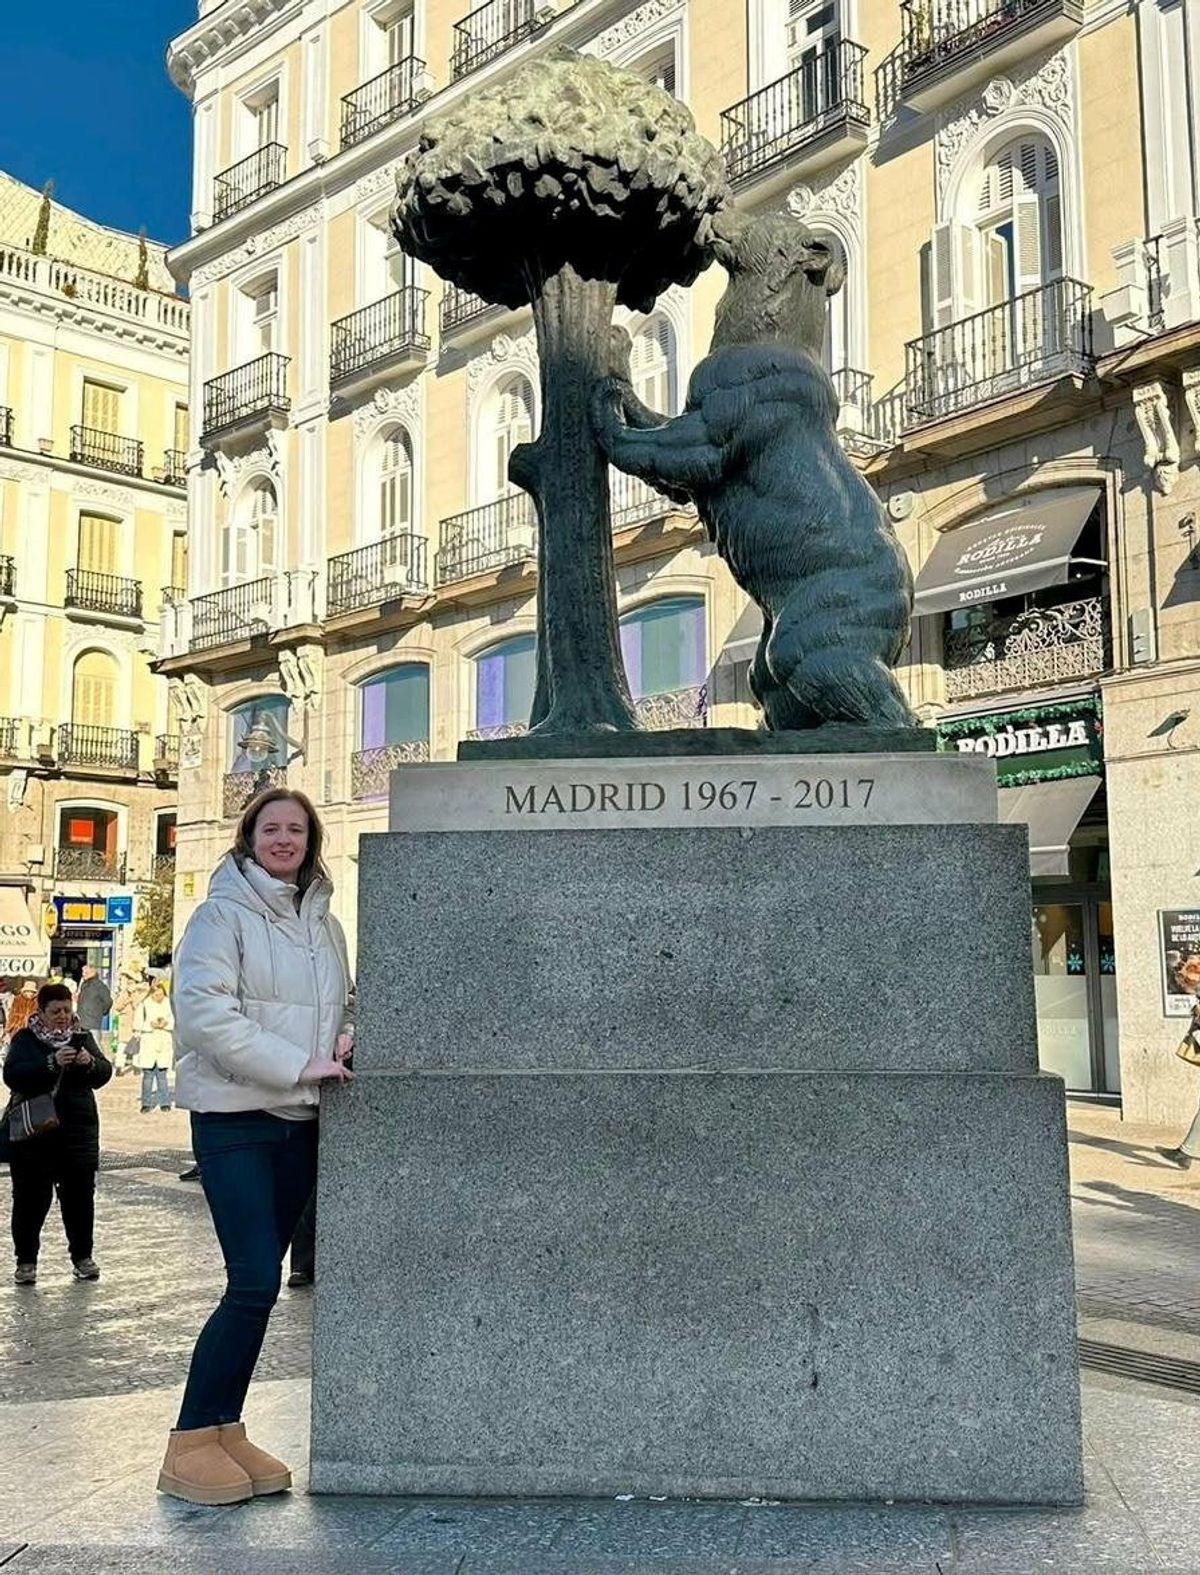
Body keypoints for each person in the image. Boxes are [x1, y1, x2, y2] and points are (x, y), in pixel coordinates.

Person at [159, 788, 353, 1506]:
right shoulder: (220, 915)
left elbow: (345, 1001)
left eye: (296, 829)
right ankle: (189, 1441)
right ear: (248, 837)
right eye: (271, 828)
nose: (283, 839)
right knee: (250, 1280)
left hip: (299, 1120)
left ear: (310, 841)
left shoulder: (325, 923)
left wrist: (344, 1037)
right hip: (234, 1117)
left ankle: (224, 1429)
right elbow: (204, 1015)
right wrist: (297, 1062)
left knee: (262, 1282)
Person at [3, 981, 112, 1284]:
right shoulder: (25, 1039)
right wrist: (50, 1063)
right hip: (35, 1137)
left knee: (80, 1201)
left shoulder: (82, 1037)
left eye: (66, 1010)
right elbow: (12, 1075)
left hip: (78, 1134)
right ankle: (26, 1262)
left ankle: (82, 1257)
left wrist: (90, 1063)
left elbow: (104, 1073)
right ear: (41, 1012)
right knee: (30, 1201)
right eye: (55, 1012)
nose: (63, 1016)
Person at [134, 983, 175, 1112]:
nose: (159, 997)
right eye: (156, 994)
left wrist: (166, 1024)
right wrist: (150, 1025)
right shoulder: (144, 1005)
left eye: (161, 994)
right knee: (148, 1075)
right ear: (151, 994)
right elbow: (137, 1025)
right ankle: (146, 1103)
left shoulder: (169, 1004)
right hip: (149, 1042)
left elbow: (174, 1021)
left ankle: (165, 1103)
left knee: (162, 1075)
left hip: (163, 1041)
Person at [111, 969, 149, 1078]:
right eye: (128, 982)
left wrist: (134, 995)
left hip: (136, 1021)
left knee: (136, 1044)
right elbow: (117, 1006)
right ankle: (119, 1066)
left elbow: (139, 1004)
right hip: (125, 1022)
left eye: (131, 982)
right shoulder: (123, 993)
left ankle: (136, 1065)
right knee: (122, 1045)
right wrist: (125, 1001)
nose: (129, 984)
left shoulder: (141, 992)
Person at [76, 964, 113, 1037]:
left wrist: (100, 1012)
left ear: (92, 972)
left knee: (94, 1042)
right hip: (81, 1022)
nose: (83, 974)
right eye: (83, 972)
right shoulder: (84, 985)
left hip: (93, 1023)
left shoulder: (99, 986)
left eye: (85, 972)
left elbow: (108, 1001)